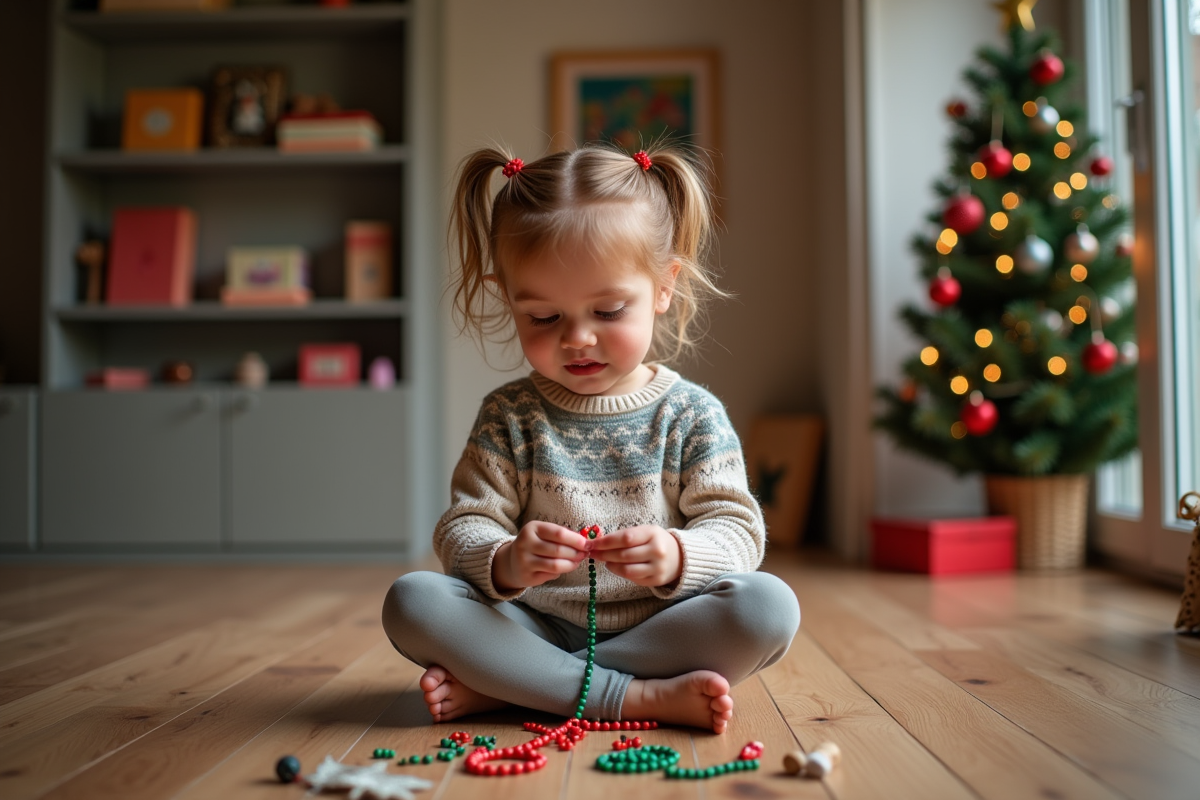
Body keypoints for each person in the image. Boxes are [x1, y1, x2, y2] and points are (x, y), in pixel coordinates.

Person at [382, 143, 800, 734]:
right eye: (544, 318)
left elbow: (737, 530)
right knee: (411, 600)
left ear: (664, 287)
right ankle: (629, 698)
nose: (578, 338)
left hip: (665, 627)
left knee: (770, 607)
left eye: (607, 311)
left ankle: (517, 686)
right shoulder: (510, 416)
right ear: (510, 298)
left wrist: (681, 556)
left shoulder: (692, 415)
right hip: (532, 625)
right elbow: (464, 525)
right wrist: (505, 561)